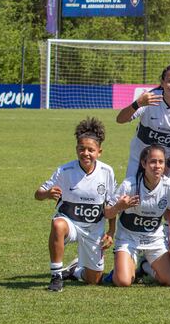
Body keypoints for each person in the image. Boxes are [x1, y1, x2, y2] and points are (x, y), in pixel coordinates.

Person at [34, 117, 116, 291]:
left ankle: (74, 270)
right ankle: (56, 276)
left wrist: (111, 231)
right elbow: (38, 194)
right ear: (76, 149)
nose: (86, 153)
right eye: (82, 149)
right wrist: (47, 194)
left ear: (99, 152)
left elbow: (111, 205)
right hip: (70, 223)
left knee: (93, 279)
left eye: (91, 150)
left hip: (93, 229)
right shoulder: (65, 171)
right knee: (57, 224)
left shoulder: (107, 172)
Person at [103, 145, 170, 287]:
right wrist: (119, 206)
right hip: (128, 238)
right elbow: (107, 212)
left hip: (153, 238)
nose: (157, 166)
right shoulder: (129, 185)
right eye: (152, 162)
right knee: (123, 281)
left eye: (161, 162)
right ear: (143, 164)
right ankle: (123, 269)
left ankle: (145, 266)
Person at [116, 64, 170, 203]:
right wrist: (137, 104)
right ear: (162, 82)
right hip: (140, 158)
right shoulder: (149, 99)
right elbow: (120, 119)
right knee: (133, 198)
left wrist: (169, 163)